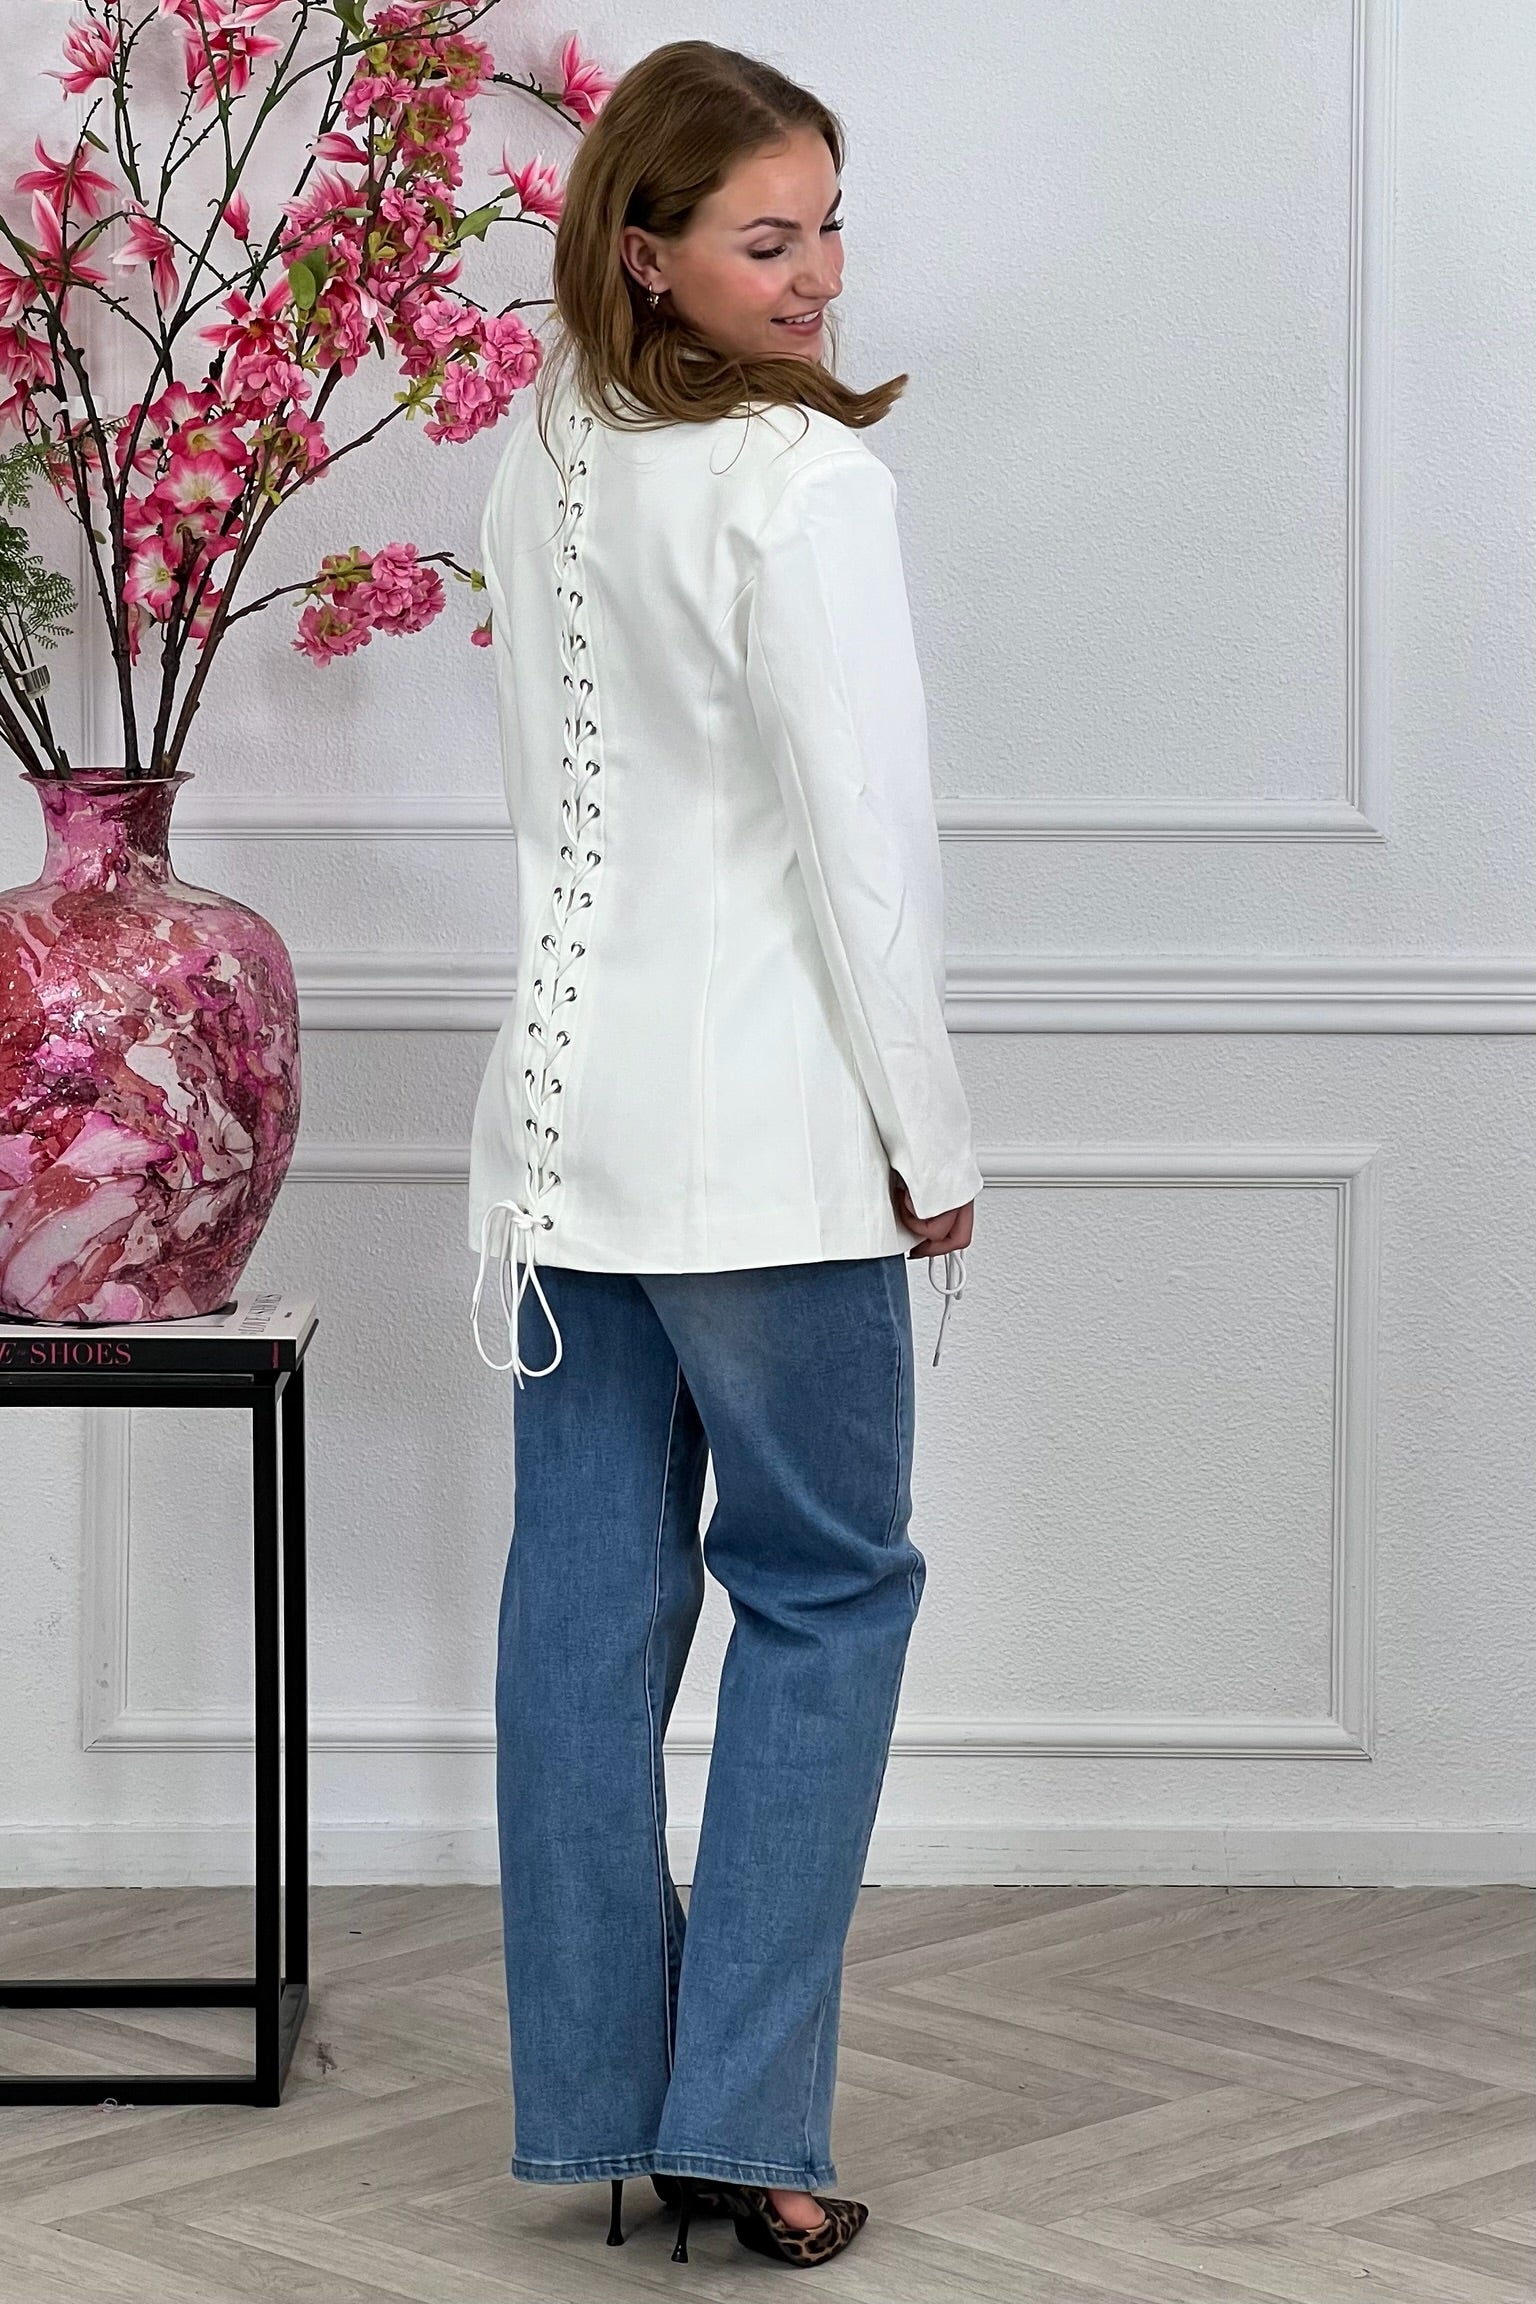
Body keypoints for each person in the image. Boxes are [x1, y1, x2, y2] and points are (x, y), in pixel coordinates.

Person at [466, 38, 982, 2271]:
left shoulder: (540, 455)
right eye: (770, 238)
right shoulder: (798, 481)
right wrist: (927, 1130)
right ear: (644, 252)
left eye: (831, 222)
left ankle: (603, 2103)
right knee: (829, 1593)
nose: (821, 274)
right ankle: (748, 2121)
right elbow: (865, 849)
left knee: (584, 1623)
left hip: (559, 1133)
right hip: (768, 1139)